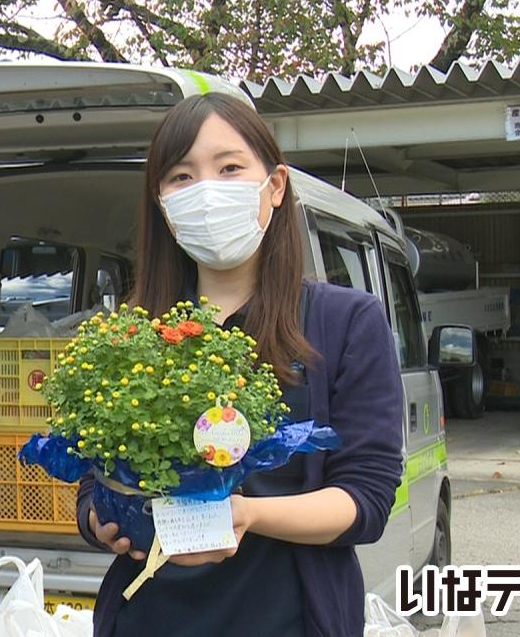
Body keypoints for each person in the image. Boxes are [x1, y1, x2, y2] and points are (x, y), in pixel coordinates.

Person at [76, 92, 405, 636]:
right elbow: (92, 481)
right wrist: (100, 520)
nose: (206, 191)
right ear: (161, 202)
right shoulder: (131, 334)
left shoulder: (345, 321)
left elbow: (366, 499)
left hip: (290, 617)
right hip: (152, 617)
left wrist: (248, 515)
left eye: (229, 168)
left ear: (274, 186)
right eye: (181, 177)